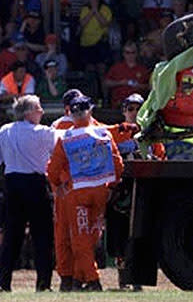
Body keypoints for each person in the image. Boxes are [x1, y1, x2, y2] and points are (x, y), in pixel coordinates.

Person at [0, 95, 56, 292]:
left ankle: (3, 284)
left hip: (13, 185)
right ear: (28, 113)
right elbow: (59, 151)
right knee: (42, 238)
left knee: (11, 237)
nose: (41, 112)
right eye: (38, 108)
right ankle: (43, 284)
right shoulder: (44, 133)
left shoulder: (5, 131)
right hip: (36, 185)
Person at [47, 96, 123, 291]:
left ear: (71, 113)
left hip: (77, 193)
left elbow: (53, 170)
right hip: (100, 192)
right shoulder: (103, 133)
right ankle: (81, 278)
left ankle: (91, 280)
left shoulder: (66, 138)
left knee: (79, 238)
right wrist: (112, 186)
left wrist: (59, 185)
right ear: (90, 111)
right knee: (92, 236)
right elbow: (118, 165)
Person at [106, 93, 164, 291]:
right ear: (123, 111)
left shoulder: (152, 134)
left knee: (141, 235)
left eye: (138, 109)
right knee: (119, 235)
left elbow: (160, 159)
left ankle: (139, 279)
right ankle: (123, 279)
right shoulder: (113, 132)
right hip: (120, 191)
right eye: (130, 109)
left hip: (143, 191)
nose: (134, 113)